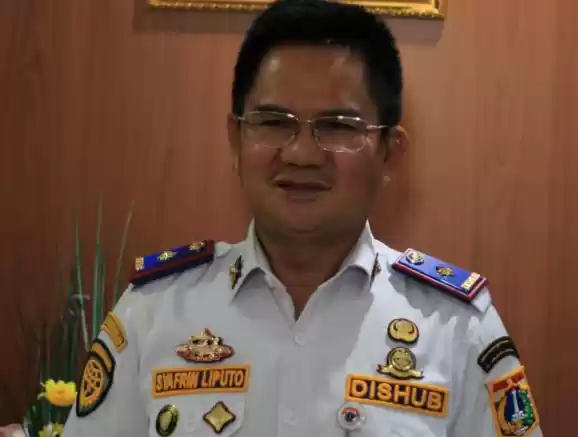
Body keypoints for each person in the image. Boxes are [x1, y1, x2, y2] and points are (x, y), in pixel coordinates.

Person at [63, 0, 544, 435]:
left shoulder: (457, 330)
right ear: (235, 140)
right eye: (274, 122)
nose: (302, 154)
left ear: (389, 153)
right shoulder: (153, 314)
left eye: (338, 126)